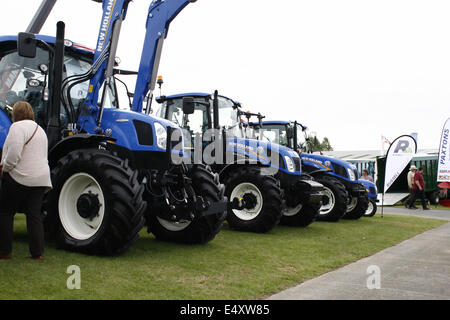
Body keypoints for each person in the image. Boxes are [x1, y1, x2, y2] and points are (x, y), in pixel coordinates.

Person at [0, 101, 52, 260]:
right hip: (41, 179)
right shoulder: (40, 130)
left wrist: (5, 168)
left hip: (20, 177)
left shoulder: (17, 128)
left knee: (5, 212)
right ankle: (37, 253)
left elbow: (14, 153)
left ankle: (4, 251)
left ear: (15, 114)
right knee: (34, 215)